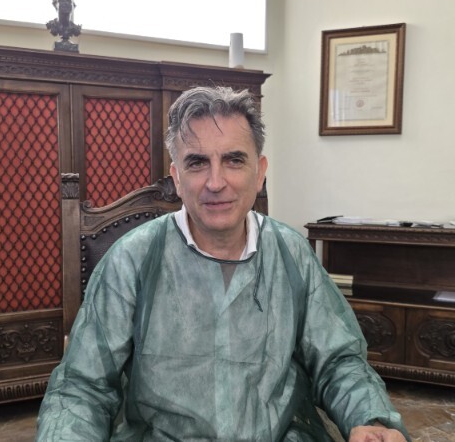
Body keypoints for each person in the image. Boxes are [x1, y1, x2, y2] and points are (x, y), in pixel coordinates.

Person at [36, 86, 409, 442]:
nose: (216, 182)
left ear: (259, 172)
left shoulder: (291, 253)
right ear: (177, 178)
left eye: (234, 160)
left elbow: (339, 361)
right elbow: (82, 388)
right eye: (198, 163)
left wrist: (369, 419)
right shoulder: (131, 259)